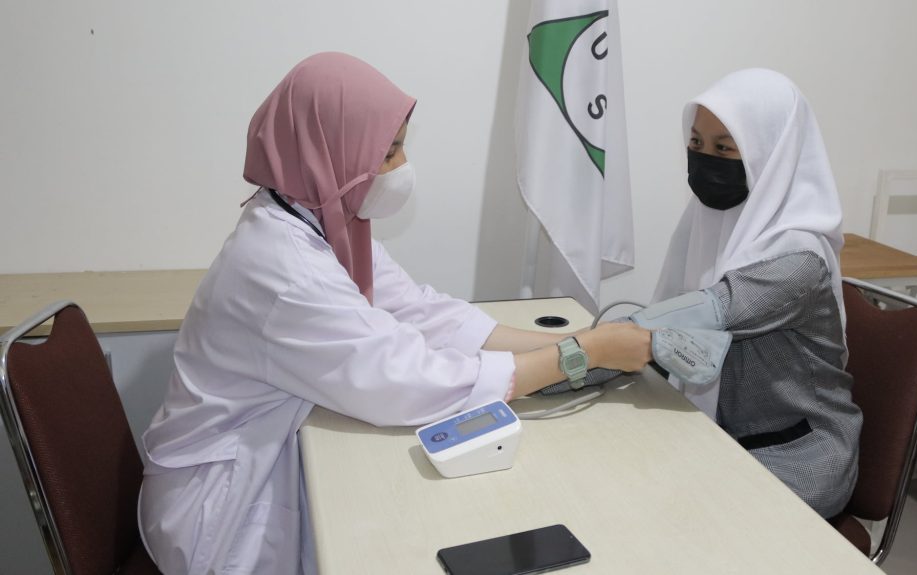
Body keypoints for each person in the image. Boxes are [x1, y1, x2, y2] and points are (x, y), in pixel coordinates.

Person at [137, 52, 652, 575]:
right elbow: (404, 378)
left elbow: (421, 311)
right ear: (329, 150)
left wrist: (578, 341)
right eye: (387, 152)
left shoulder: (317, 216)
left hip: (263, 454)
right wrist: (580, 356)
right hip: (219, 510)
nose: (401, 167)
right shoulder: (285, 269)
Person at [636, 69, 862, 518]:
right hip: (719, 435)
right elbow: (659, 325)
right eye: (696, 143)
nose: (705, 159)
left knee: (663, 511)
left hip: (798, 455)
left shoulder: (798, 258)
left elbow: (688, 320)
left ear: (770, 155)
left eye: (724, 148)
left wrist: (563, 357)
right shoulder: (704, 222)